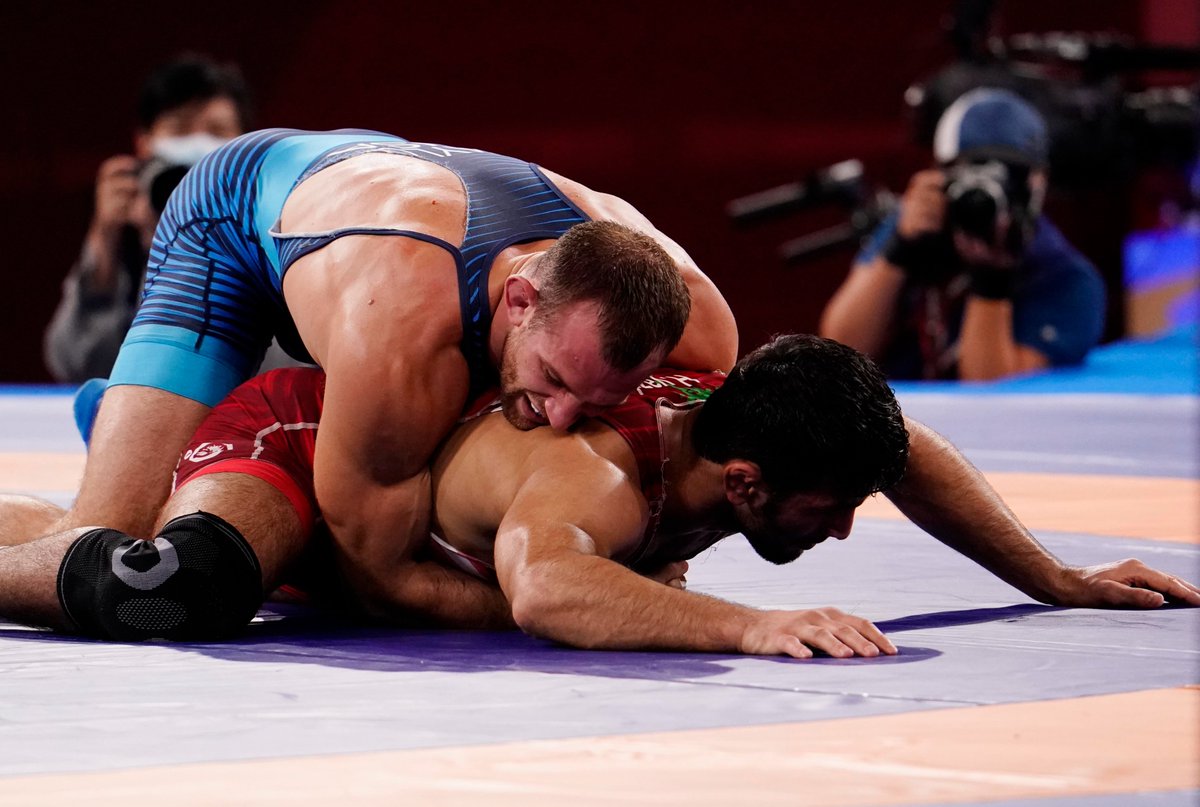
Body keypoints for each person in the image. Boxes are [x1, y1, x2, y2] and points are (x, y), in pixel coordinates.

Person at [3, 335, 1193, 655]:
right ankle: (154, 470)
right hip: (308, 446)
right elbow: (546, 587)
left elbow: (910, 448)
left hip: (394, 538)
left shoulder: (754, 420)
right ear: (743, 480)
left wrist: (1057, 579)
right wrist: (748, 623)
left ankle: (125, 466)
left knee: (129, 537)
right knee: (167, 588)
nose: (842, 532)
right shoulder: (602, 475)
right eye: (826, 510)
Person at [9, 127, 737, 624]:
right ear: (520, 298)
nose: (560, 416)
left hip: (389, 189)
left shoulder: (699, 325)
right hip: (236, 221)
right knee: (113, 534)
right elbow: (377, 574)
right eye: (552, 378)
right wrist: (562, 598)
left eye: (595, 400)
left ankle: (151, 432)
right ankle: (147, 433)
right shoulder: (403, 327)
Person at [820, 88, 1106, 381]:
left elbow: (993, 395)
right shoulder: (915, 230)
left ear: (1038, 181)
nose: (985, 190)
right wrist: (898, 249)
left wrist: (992, 281)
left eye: (1010, 176)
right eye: (968, 170)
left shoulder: (1065, 278)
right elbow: (841, 351)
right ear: (936, 172)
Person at [44, 55, 251, 383]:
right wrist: (103, 240)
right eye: (180, 128)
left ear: (243, 144)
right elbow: (76, 364)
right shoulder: (124, 237)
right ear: (144, 143)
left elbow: (268, 367)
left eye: (216, 130)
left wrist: (190, 253)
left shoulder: (261, 234)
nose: (198, 142)